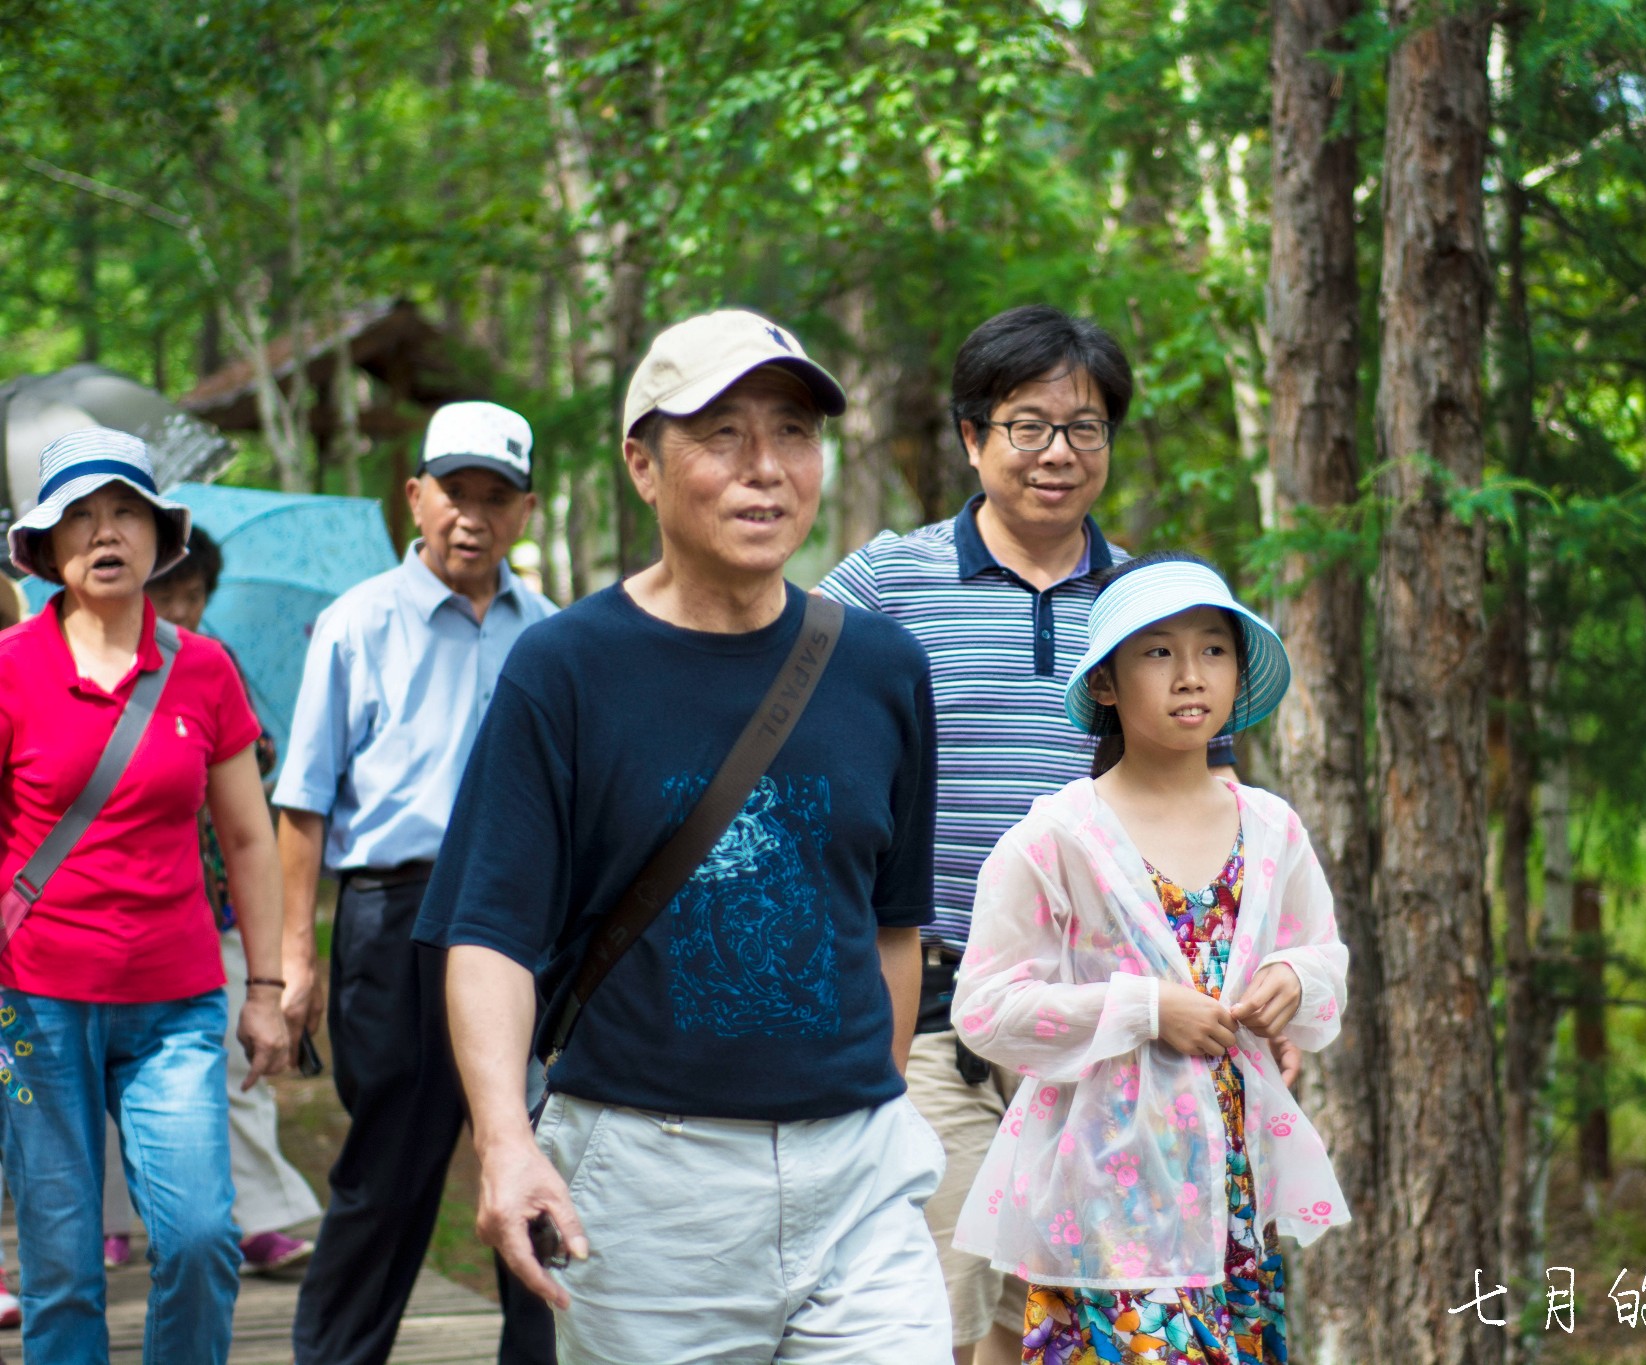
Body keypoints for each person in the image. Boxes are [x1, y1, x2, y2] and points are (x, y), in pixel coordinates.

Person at [418, 310, 951, 1362]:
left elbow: (891, 927)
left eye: (792, 431)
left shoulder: (883, 668)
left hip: (859, 1179)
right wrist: (504, 1141)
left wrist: (861, 1105)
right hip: (649, 1182)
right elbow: (489, 932)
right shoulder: (565, 669)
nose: (765, 470)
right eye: (719, 436)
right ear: (643, 465)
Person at [816, 304, 1253, 1364]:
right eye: (1027, 424)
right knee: (935, 1319)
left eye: (1085, 426)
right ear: (971, 437)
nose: (1058, 452)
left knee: (1076, 1323)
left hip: (1110, 1029)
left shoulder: (1157, 606)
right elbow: (789, 744)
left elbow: (1212, 805)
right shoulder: (882, 587)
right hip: (932, 1018)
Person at [949, 552, 1349, 1364]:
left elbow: (1323, 956)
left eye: (1213, 649)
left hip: (1233, 1189)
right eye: (1158, 652)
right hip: (1106, 1192)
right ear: (1106, 684)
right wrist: (1144, 1008)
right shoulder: (1056, 837)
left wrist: (1291, 980)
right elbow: (985, 1006)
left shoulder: (1272, 828)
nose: (1190, 674)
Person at [0, 427, 294, 1364]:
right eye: (78, 516)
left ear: (159, 533)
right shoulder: (7, 667)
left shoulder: (202, 668)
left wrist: (267, 988)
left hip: (173, 1008)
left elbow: (249, 836)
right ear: (45, 549)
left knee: (202, 1236)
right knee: (61, 1269)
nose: (104, 531)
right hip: (33, 1008)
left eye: (124, 508)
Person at [274, 401, 558, 1365]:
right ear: (416, 496)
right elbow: (302, 805)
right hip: (393, 917)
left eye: (495, 496)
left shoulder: (553, 637)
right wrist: (291, 965)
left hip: (526, 917)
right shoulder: (356, 624)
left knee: (538, 1149)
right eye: (454, 493)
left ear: (525, 511)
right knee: (390, 1162)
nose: (471, 516)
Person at [123, 527, 323, 1275]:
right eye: (170, 593)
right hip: (133, 912)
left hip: (221, 904)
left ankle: (258, 1216)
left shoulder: (215, 663)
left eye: (196, 594)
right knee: (117, 1074)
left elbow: (259, 761)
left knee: (242, 1062)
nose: (185, 607)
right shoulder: (109, 659)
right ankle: (117, 1222)